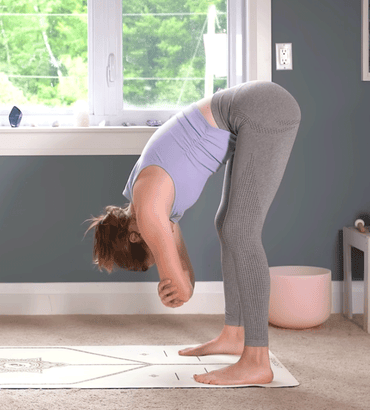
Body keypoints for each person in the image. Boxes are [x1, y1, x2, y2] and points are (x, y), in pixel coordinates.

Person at [84, 81, 301, 385]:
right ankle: (235, 334)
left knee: (241, 231)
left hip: (263, 109)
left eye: (148, 257)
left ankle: (256, 360)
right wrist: (179, 284)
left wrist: (175, 287)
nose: (156, 251)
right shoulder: (147, 201)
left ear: (135, 236)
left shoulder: (148, 211)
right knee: (228, 225)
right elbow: (186, 278)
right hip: (250, 113)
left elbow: (181, 285)